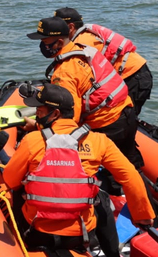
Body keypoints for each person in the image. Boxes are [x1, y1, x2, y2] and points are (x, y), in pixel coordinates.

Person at [2, 83, 154, 257]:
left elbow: (9, 180)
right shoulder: (99, 141)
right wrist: (142, 216)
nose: (37, 115)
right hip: (80, 235)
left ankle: (15, 245)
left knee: (19, 188)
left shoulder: (32, 140)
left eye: (40, 111)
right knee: (101, 197)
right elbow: (130, 177)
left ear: (55, 114)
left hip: (37, 233)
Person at [27, 16, 144, 170]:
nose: (42, 46)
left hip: (107, 124)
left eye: (45, 42)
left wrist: (37, 126)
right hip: (126, 112)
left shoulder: (64, 73)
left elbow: (69, 119)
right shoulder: (84, 49)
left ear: (60, 42)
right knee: (131, 165)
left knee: (108, 173)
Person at [53, 7, 153, 116]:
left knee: (125, 115)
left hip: (133, 77)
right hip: (135, 72)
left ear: (70, 27)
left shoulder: (81, 43)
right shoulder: (87, 33)